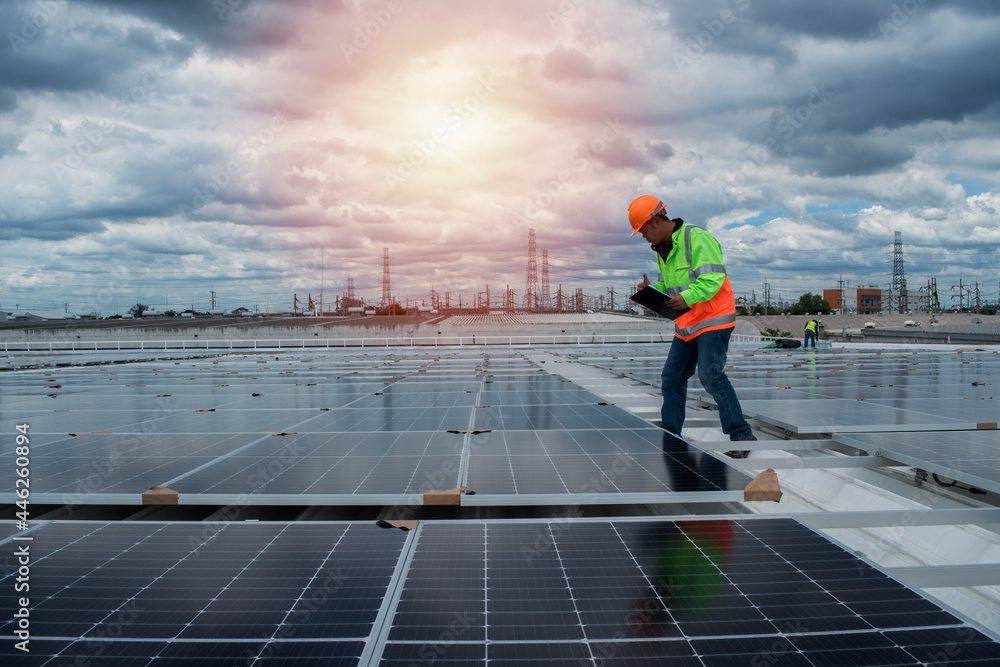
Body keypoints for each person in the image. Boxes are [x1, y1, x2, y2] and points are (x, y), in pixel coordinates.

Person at [628, 195, 755, 458]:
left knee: (710, 374)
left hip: (712, 318)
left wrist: (686, 297)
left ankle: (741, 434)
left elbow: (713, 278)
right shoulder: (663, 250)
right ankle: (670, 431)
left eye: (643, 230)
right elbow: (669, 287)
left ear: (656, 220)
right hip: (687, 324)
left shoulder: (696, 237)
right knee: (672, 378)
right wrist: (651, 290)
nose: (643, 237)